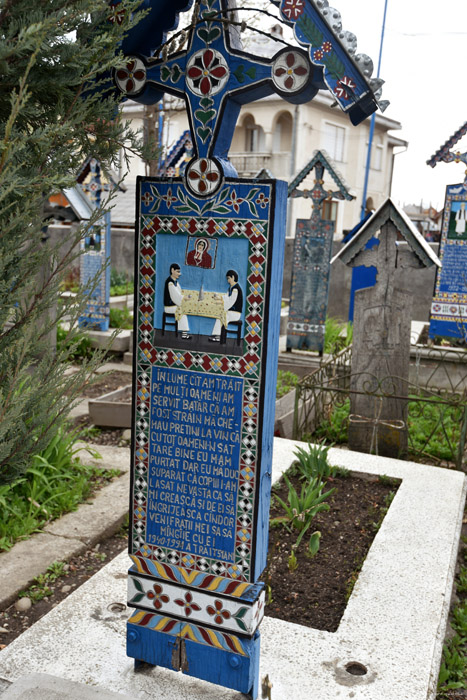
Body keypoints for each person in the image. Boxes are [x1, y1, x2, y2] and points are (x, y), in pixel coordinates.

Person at [209, 269, 243, 342]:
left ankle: (218, 336)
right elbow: (227, 297)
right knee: (220, 315)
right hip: (231, 311)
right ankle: (216, 335)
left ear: (233, 277)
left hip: (235, 313)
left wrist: (222, 305)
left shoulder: (236, 289)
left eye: (228, 278)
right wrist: (219, 298)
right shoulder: (230, 288)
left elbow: (231, 302)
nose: (228, 281)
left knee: (221, 316)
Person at [163, 263, 191, 339]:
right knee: (183, 310)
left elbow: (179, 293)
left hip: (173, 305)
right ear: (172, 270)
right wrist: (184, 298)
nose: (179, 274)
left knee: (183, 308)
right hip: (169, 306)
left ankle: (184, 332)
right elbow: (175, 297)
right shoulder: (170, 283)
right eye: (178, 271)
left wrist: (183, 297)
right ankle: (184, 334)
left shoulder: (175, 282)